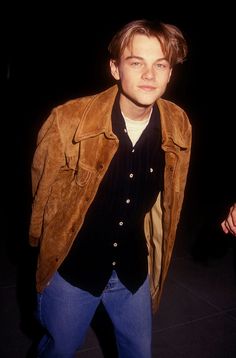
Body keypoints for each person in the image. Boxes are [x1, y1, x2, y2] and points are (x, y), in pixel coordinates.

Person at [29, 19, 192, 357]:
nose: (149, 75)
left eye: (160, 64)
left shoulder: (178, 124)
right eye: (136, 62)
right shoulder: (68, 120)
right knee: (59, 350)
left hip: (133, 269)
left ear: (170, 73)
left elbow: (175, 195)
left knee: (139, 352)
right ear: (115, 68)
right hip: (73, 269)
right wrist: (40, 250)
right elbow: (40, 196)